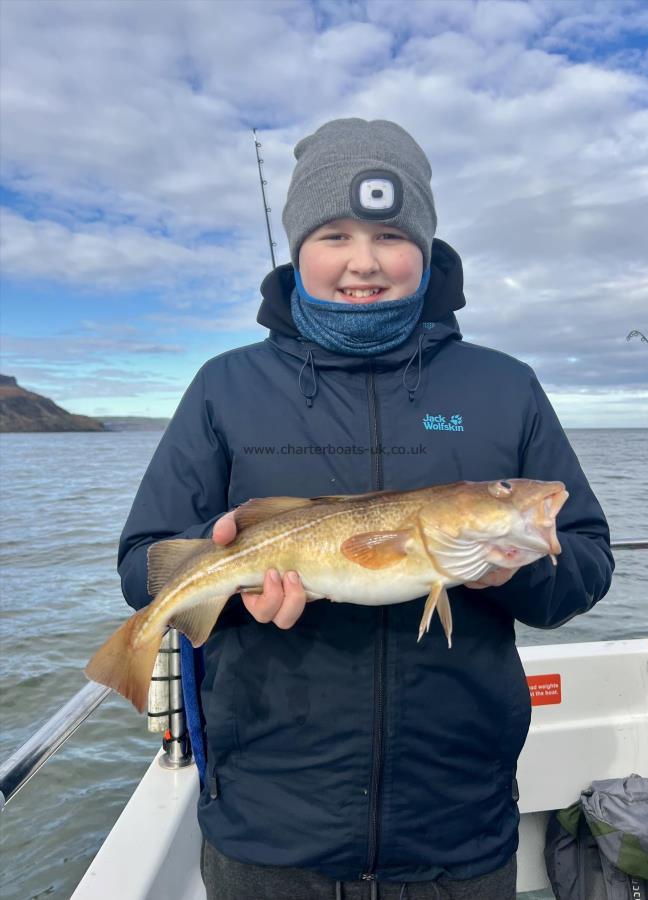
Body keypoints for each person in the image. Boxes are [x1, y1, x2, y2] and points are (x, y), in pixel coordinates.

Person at [118, 119, 614, 900]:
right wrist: (229, 577)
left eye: (388, 233)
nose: (363, 262)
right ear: (295, 249)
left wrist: (502, 573)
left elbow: (583, 565)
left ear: (424, 247)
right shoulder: (224, 385)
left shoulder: (504, 385)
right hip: (269, 827)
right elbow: (143, 561)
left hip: (458, 823)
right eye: (333, 234)